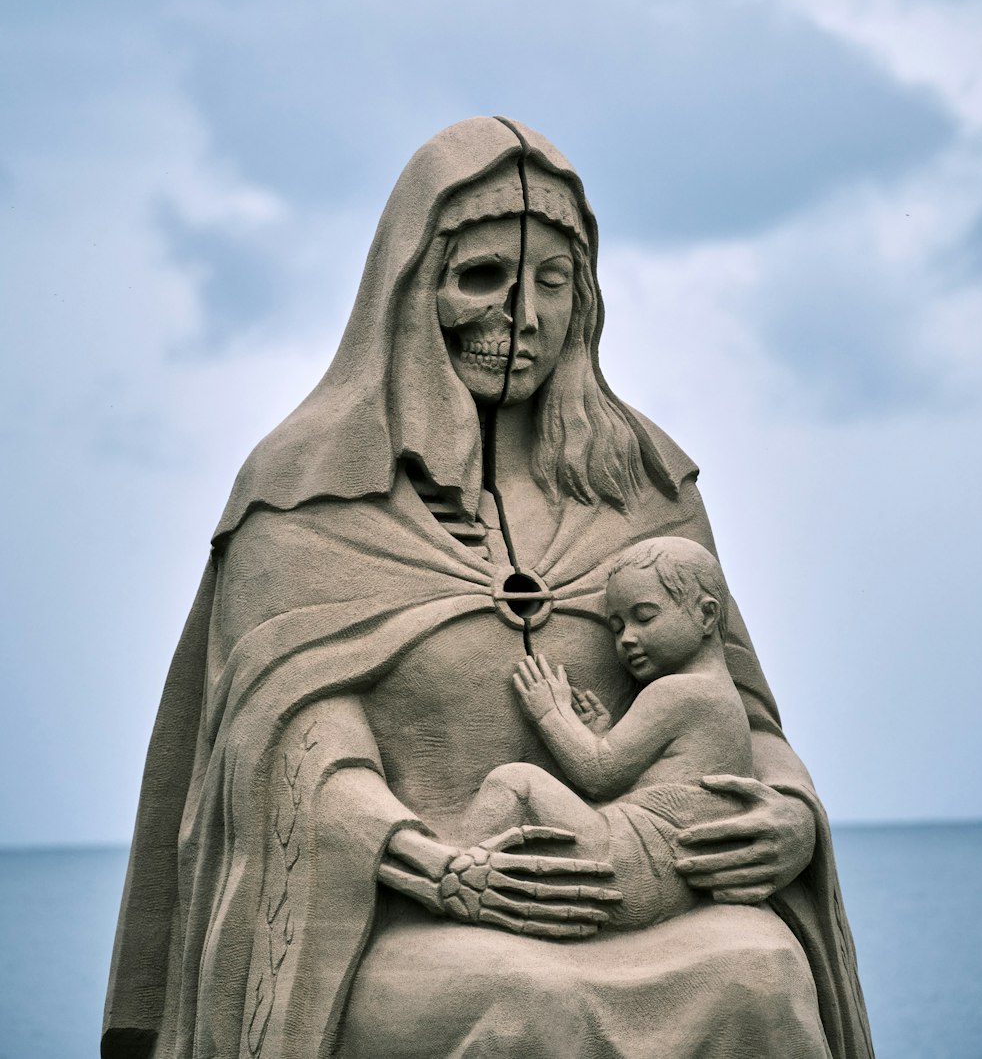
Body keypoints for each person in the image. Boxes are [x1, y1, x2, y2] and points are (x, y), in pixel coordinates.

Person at [103, 116, 873, 1059]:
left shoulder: (643, 488)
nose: (525, 319)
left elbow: (739, 719)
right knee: (520, 996)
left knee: (763, 969)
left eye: (554, 283)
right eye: (483, 280)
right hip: (422, 914)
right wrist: (440, 871)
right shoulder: (306, 493)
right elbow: (291, 758)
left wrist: (790, 815)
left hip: (644, 897)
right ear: (408, 287)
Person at [458, 535, 755, 929]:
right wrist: (601, 734)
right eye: (616, 627)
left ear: (706, 615)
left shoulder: (679, 691)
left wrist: (551, 711)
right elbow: (644, 779)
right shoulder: (719, 695)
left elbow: (599, 775)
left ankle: (455, 871)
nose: (627, 638)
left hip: (638, 869)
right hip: (671, 878)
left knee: (514, 781)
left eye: (644, 617)